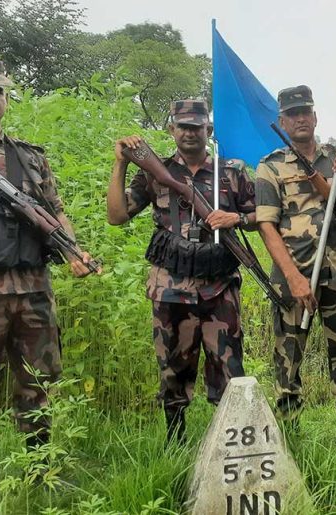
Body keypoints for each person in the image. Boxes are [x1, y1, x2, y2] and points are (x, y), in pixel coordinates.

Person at [0, 55, 98, 511]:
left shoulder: (28, 158)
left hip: (31, 288)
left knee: (40, 382)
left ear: (7, 99)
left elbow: (53, 208)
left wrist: (72, 251)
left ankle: (40, 468)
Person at [107, 99, 254, 445]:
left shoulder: (230, 171)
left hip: (219, 288)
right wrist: (120, 165)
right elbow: (116, 216)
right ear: (171, 128)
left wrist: (238, 218)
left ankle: (229, 445)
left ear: (209, 130)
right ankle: (176, 442)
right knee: (173, 368)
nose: (190, 133)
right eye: (183, 126)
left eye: (197, 126)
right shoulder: (155, 171)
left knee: (229, 368)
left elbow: (261, 214)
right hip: (170, 288)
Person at [254, 85, 336, 450]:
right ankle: (288, 433)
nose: (300, 118)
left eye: (306, 111)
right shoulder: (269, 166)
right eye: (292, 114)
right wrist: (293, 278)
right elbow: (266, 226)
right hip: (294, 275)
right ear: (282, 121)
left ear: (316, 116)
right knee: (288, 356)